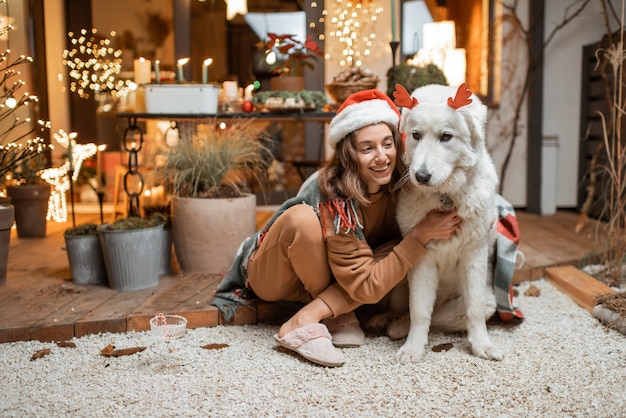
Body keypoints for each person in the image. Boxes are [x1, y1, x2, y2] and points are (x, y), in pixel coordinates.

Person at [211, 89, 460, 367]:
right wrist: (421, 234)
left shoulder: (403, 184)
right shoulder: (334, 192)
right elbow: (365, 284)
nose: (382, 157)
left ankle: (322, 312)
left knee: (401, 250)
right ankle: (305, 321)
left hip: (337, 275)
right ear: (349, 155)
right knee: (303, 219)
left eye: (387, 144)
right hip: (278, 275)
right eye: (367, 148)